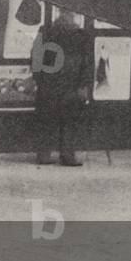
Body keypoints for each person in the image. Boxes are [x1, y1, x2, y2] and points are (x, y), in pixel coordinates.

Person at [30, 11, 94, 166]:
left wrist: (39, 80)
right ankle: (67, 155)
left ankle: (44, 155)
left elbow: (35, 57)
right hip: (71, 85)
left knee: (46, 120)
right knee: (69, 121)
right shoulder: (81, 36)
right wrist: (83, 85)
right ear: (73, 18)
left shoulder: (46, 32)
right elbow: (88, 63)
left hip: (48, 85)